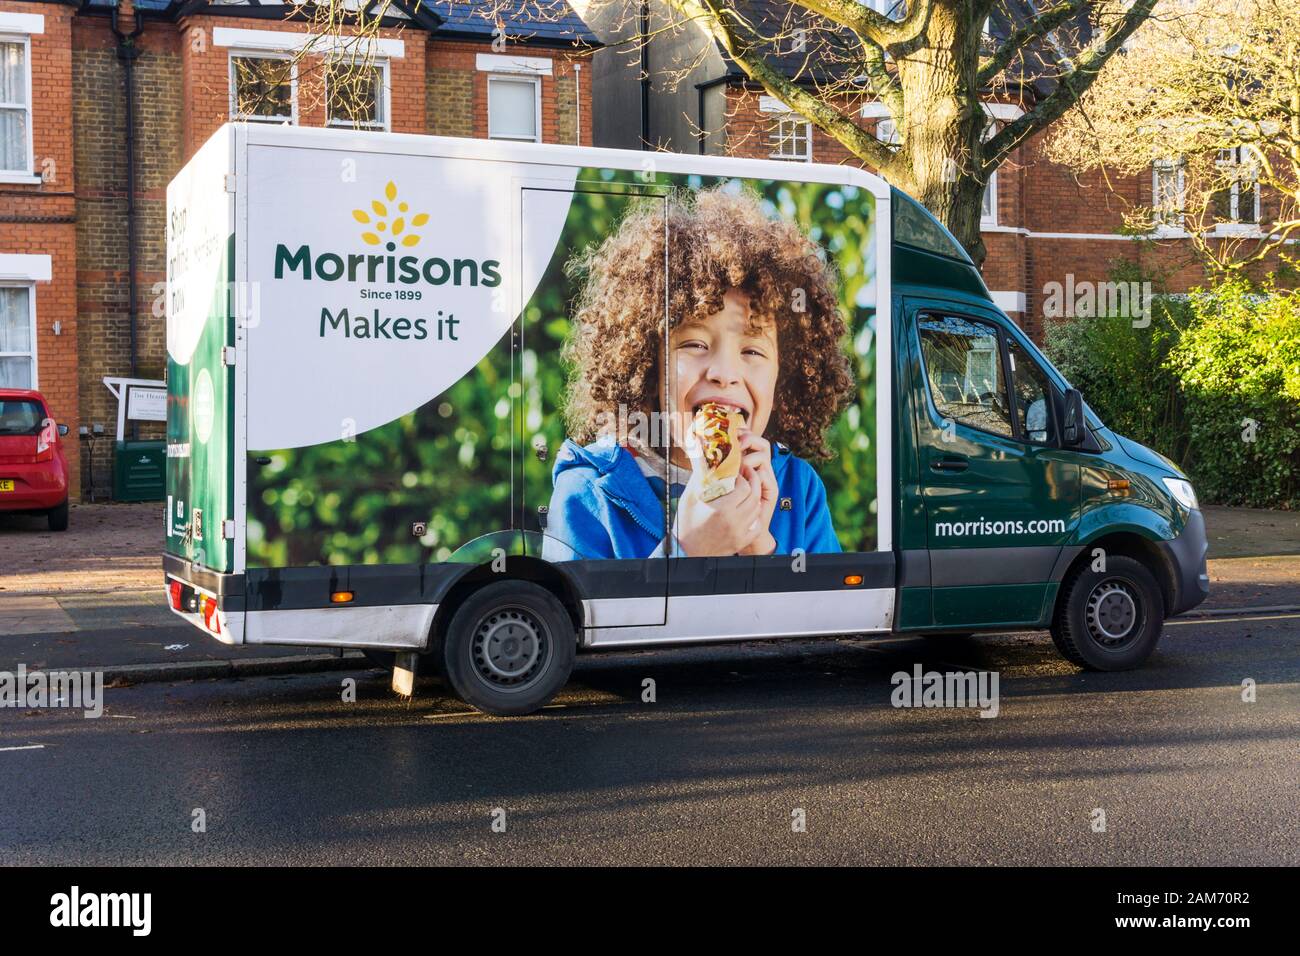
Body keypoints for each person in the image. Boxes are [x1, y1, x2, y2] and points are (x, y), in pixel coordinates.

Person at [543, 186, 855, 560]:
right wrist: (685, 551)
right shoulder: (589, 491)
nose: (725, 373)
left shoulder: (798, 490)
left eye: (753, 350)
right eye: (694, 344)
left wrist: (761, 550)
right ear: (647, 362)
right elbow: (579, 619)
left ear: (782, 378)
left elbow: (826, 618)